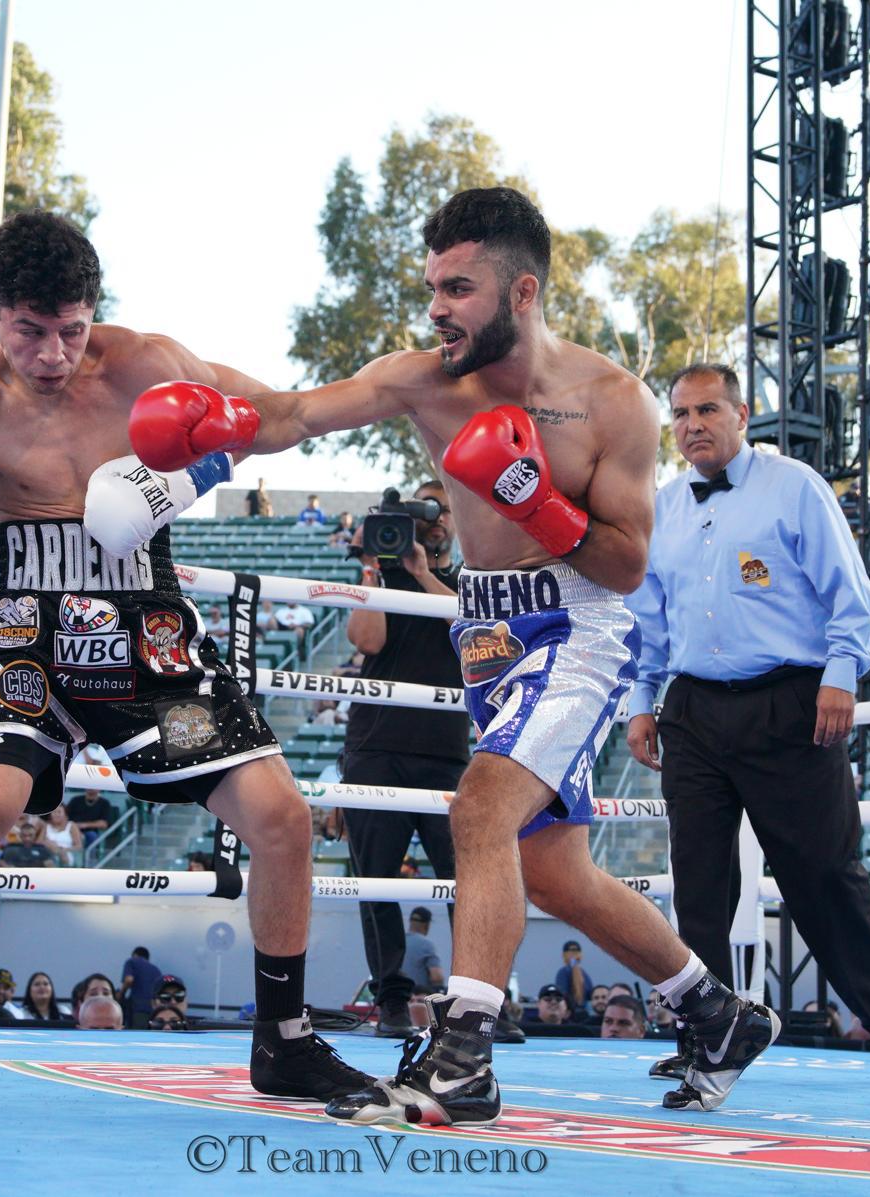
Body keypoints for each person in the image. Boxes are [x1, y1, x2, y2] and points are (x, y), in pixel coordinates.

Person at [130, 187, 776, 1121]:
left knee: (481, 805)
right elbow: (295, 414)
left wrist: (532, 497)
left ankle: (464, 1055)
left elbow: (631, 563)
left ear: (520, 292)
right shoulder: (422, 378)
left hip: (578, 628)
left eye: (459, 286)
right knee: (553, 870)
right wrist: (200, 411)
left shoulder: (611, 403)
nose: (437, 305)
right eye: (432, 285)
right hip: (484, 632)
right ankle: (714, 1010)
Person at [0, 212, 365, 1107]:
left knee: (283, 816)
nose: (53, 352)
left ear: (95, 311)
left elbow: (280, 416)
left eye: (71, 328)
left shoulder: (149, 363)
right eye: (30, 329)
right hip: (30, 633)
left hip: (149, 632)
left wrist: (402, 387)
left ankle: (284, 1043)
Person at [625, 362, 870, 1090]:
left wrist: (840, 674)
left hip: (790, 702)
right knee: (696, 882)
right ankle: (709, 1037)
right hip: (691, 708)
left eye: (706, 409)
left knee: (821, 871)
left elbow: (849, 593)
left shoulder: (794, 485)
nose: (693, 424)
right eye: (681, 415)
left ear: (742, 413)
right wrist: (642, 698)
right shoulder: (662, 504)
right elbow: (650, 618)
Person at [339, 480, 465, 1037]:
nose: (432, 519)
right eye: (421, 509)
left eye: (441, 508)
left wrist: (418, 571)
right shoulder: (378, 575)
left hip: (446, 753)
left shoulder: (470, 580)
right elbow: (366, 641)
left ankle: (474, 1003)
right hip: (375, 748)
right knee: (377, 880)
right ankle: (392, 1000)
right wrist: (374, 566)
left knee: (469, 880)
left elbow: (465, 626)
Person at [118, 946, 163, 1026]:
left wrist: (120, 994)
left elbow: (129, 980)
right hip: (154, 1013)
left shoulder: (132, 961)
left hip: (138, 1010)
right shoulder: (157, 970)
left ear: (135, 955)